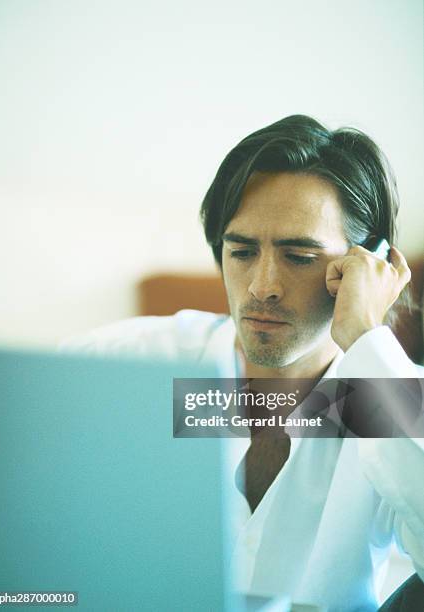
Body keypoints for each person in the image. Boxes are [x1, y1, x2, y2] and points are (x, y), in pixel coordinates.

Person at [63, 115, 424, 611]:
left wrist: (366, 336)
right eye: (242, 252)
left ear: (366, 266)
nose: (261, 286)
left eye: (299, 256)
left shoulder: (389, 394)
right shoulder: (127, 366)